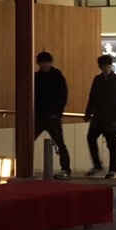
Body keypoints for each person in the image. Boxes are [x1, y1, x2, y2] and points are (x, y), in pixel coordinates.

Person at [84, 54, 116, 178]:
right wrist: (88, 113)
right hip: (98, 116)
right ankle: (97, 164)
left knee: (111, 143)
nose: (105, 69)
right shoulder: (97, 80)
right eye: (103, 66)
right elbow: (92, 97)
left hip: (111, 117)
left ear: (110, 66)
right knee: (91, 138)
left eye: (107, 66)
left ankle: (113, 169)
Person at [34, 51, 71, 179]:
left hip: (52, 116)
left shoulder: (57, 77)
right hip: (39, 116)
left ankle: (66, 169)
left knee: (60, 143)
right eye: (42, 63)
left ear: (50, 63)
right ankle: (22, 166)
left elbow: (63, 96)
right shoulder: (36, 77)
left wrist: (57, 113)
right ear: (39, 64)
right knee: (27, 142)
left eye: (46, 62)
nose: (44, 65)